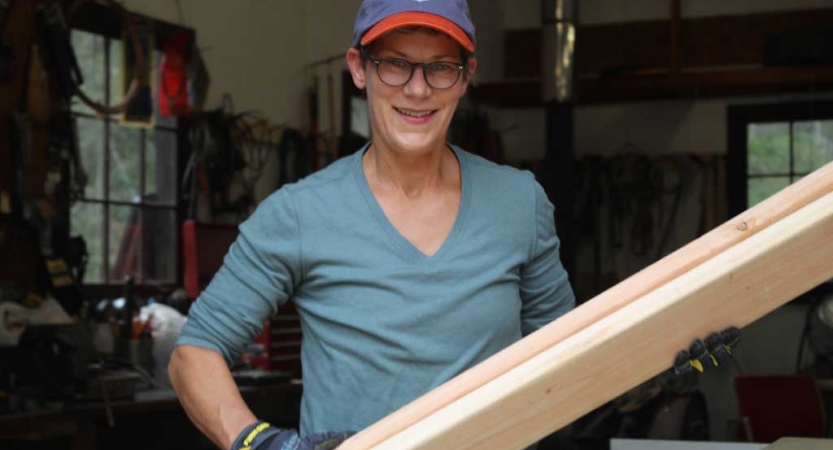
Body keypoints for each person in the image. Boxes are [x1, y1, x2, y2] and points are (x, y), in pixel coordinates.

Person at [168, 0, 576, 449]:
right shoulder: (300, 213)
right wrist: (260, 444)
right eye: (395, 65)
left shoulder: (519, 202)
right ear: (359, 69)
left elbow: (566, 351)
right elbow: (195, 353)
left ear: (466, 76)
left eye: (439, 67)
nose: (417, 90)